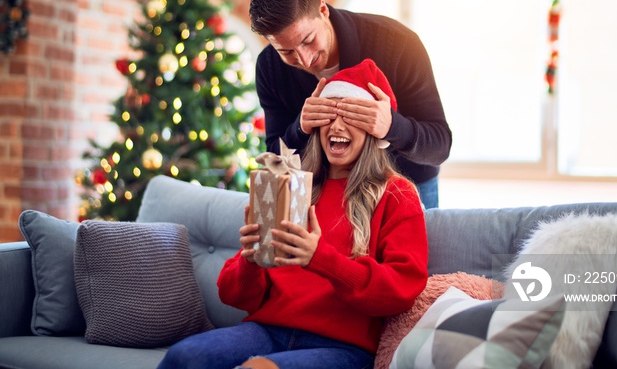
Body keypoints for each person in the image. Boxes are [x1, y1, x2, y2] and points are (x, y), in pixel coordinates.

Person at [157, 60, 428, 369]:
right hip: (267, 330)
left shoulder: (396, 194)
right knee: (183, 356)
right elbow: (232, 295)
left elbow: (402, 290)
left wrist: (321, 258)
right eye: (329, 115)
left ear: (373, 129)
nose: (336, 127)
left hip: (342, 346)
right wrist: (250, 258)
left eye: (350, 117)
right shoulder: (293, 183)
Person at [249, 0, 451, 208]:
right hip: (326, 193)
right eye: (287, 52)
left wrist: (391, 127)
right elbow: (275, 161)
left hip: (405, 189)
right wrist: (300, 128)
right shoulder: (269, 67)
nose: (304, 60)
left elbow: (440, 146)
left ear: (322, 10)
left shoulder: (398, 43)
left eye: (308, 40)